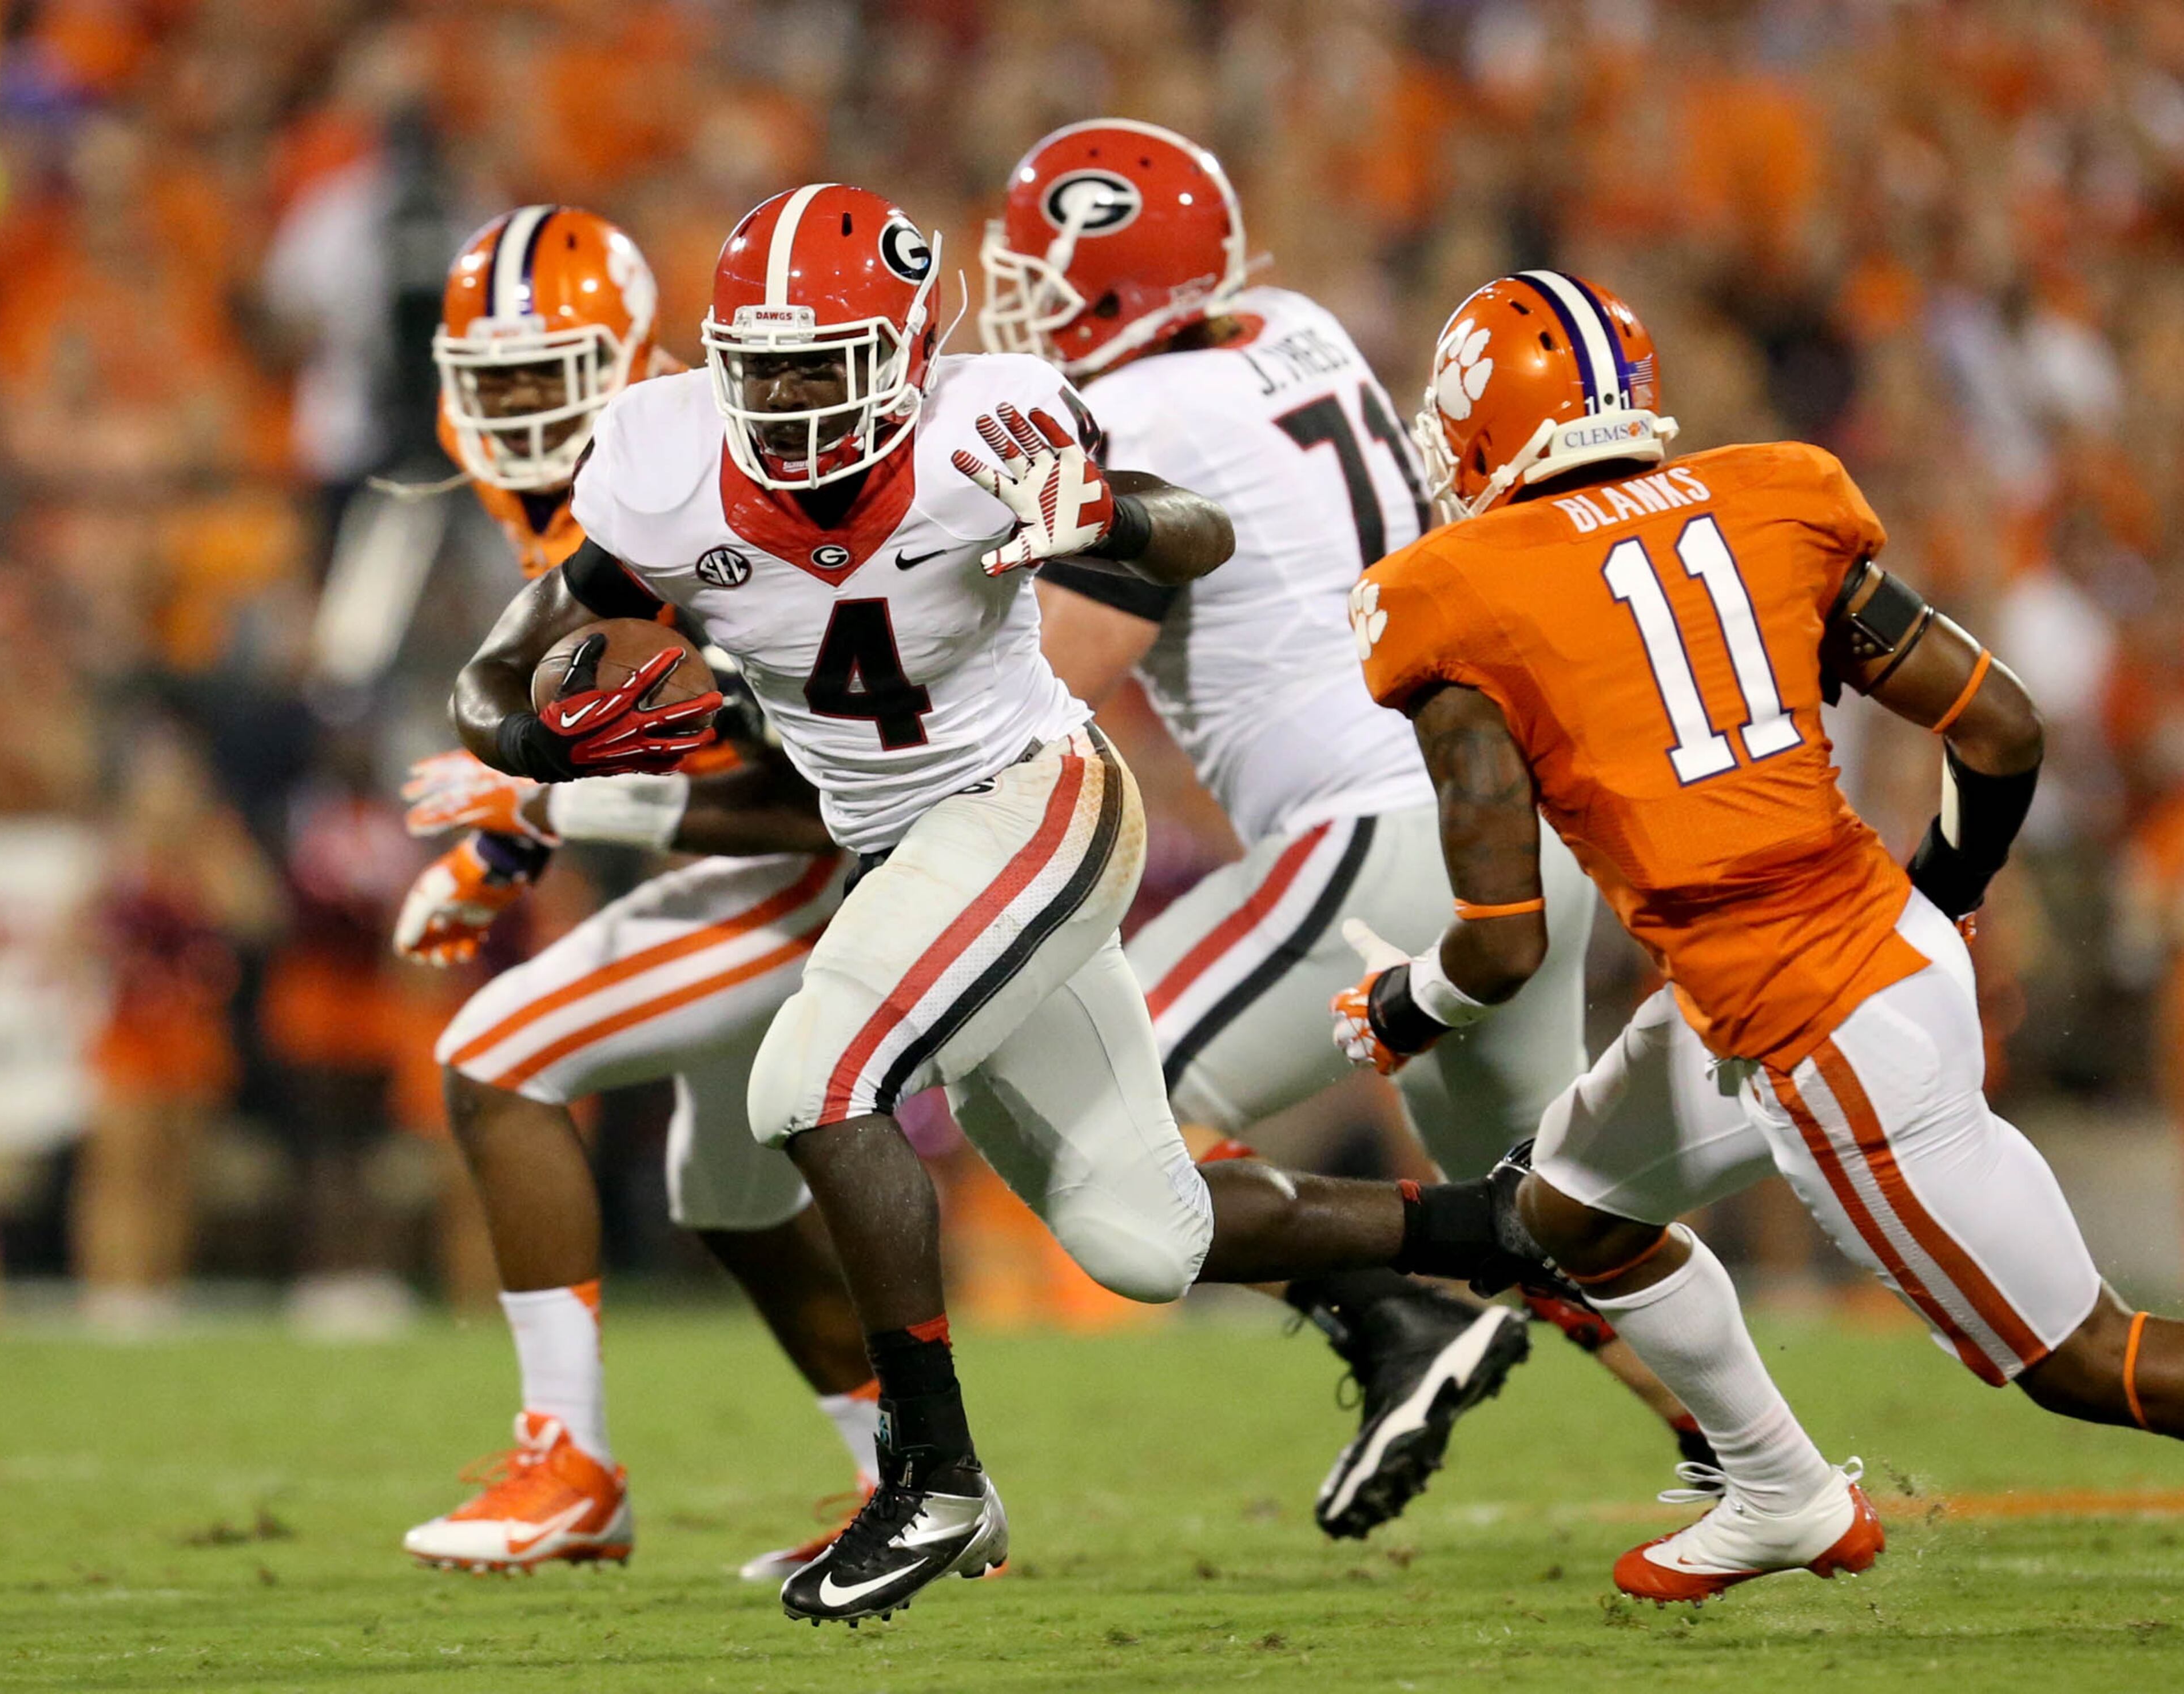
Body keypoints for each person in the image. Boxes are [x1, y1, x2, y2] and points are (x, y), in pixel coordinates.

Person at [448, 183, 1554, 1625]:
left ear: (909, 352)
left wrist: (1108, 513)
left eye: (822, 363)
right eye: (761, 366)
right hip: (907, 853)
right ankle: (1508, 1226)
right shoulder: (664, 463)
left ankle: (932, 1480)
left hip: (1032, 803)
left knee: (813, 1083)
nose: (785, 399)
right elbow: (497, 668)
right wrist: (535, 739)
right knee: (1145, 1238)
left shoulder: (989, 425)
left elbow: (1197, 535)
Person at [1334, 267, 2184, 1603]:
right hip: (1855, 949)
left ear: (1483, 422)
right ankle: (1783, 1491)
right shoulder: (1771, 497)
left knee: (2082, 1361)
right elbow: (2001, 728)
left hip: (1819, 1023)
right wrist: (1946, 893)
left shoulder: (1455, 592)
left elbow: (1500, 946)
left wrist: (1404, 1006)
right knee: (1573, 1208)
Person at [982, 118, 1708, 1538]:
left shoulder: (1140, 414)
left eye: (1043, 276)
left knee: (1075, 1108)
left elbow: (1061, 681)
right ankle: (1756, 1453)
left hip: (1375, 838)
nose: (1027, 304)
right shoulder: (1296, 330)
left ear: (1114, 282)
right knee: (1554, 1204)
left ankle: (1390, 1312)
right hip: (1503, 821)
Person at [394, 205, 884, 1580]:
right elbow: (616, 726)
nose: (517, 413)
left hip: (826, 857)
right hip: (762, 852)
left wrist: (539, 812)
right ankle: (914, 1477)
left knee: (496, 1056)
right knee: (727, 1193)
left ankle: (571, 1466)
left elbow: (803, 786)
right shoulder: (576, 488)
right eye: (494, 383)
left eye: (547, 376)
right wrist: (505, 849)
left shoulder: (694, 481)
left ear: (630, 355)